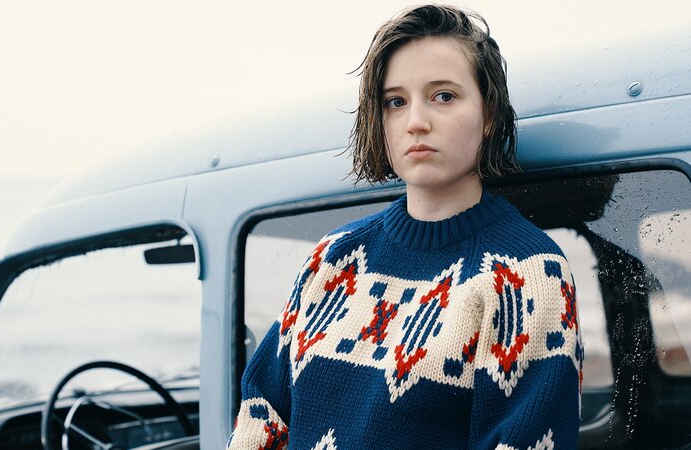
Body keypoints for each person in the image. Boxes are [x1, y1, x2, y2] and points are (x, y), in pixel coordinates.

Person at [228, 4, 582, 449]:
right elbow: (261, 418)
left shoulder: (527, 273)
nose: (416, 122)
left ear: (489, 114)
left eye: (444, 96)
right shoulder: (333, 258)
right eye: (396, 102)